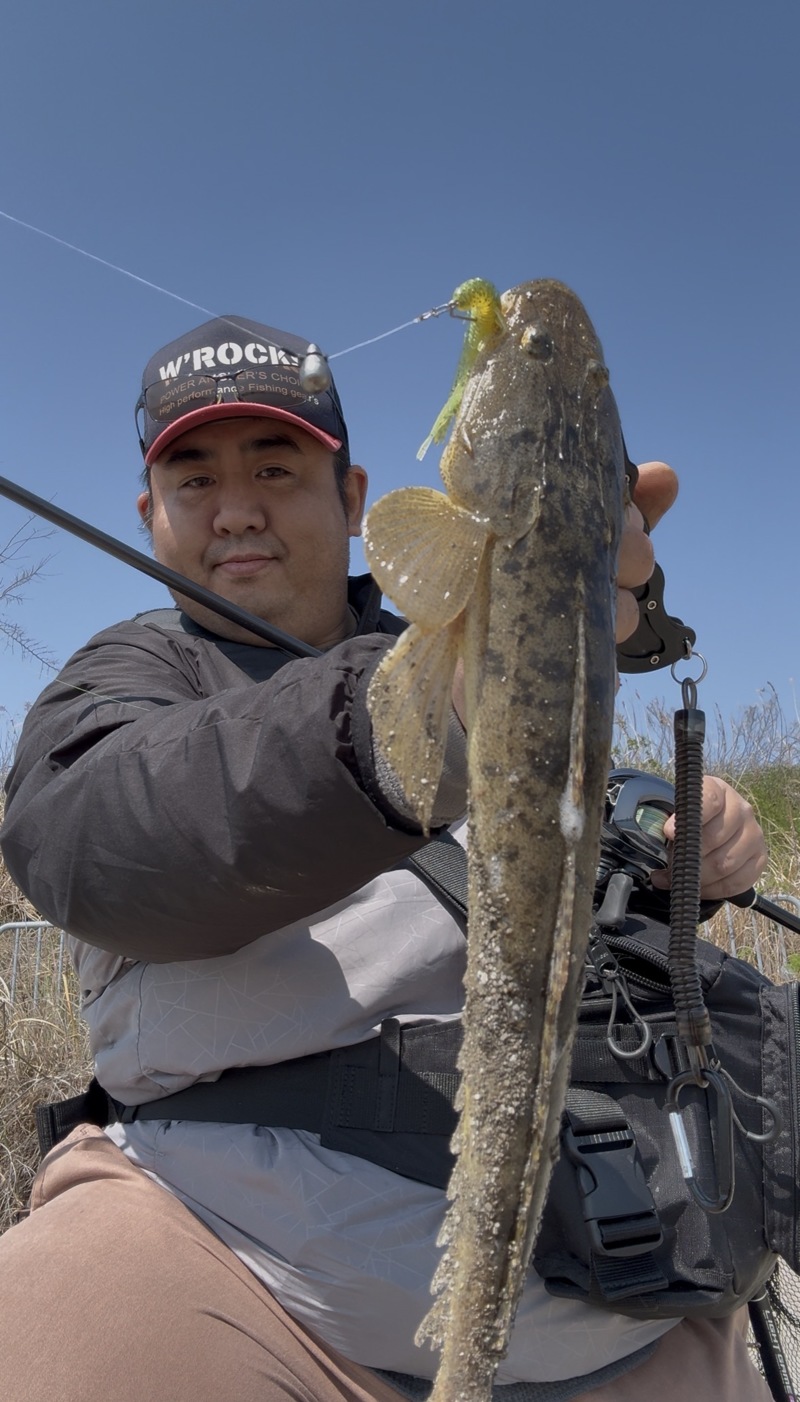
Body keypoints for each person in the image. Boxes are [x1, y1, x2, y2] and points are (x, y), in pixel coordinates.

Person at [0, 313, 770, 1402]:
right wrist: (424, 710)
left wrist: (680, 835)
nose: (236, 509)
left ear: (356, 500)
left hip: (619, 1278)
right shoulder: (121, 681)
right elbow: (93, 841)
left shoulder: (457, 628)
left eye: (276, 467)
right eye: (194, 479)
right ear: (148, 514)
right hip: (239, 1271)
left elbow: (593, 889)